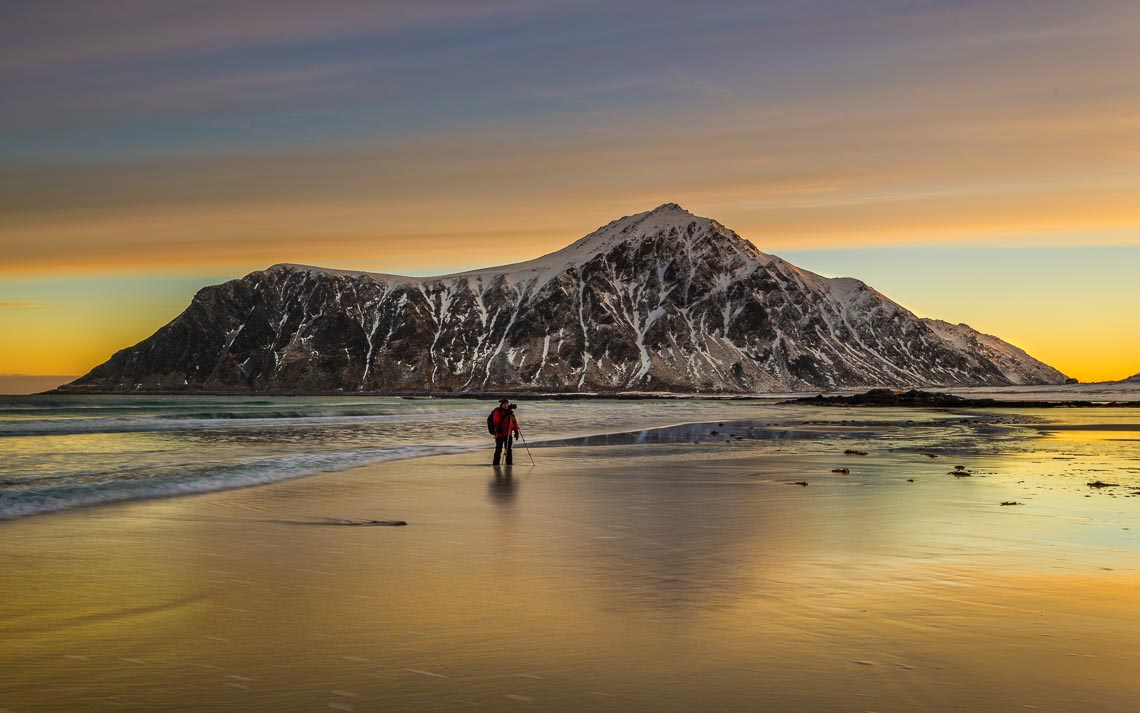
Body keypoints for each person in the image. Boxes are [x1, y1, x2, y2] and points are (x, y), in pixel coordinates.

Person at [490, 398, 520, 466]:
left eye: (507, 403)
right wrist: (506, 414)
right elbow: (496, 421)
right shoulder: (498, 411)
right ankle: (496, 464)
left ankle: (509, 464)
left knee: (508, 450)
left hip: (508, 434)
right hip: (500, 433)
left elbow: (514, 423)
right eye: (504, 404)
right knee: (498, 449)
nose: (506, 405)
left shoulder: (510, 413)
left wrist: (516, 432)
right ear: (502, 404)